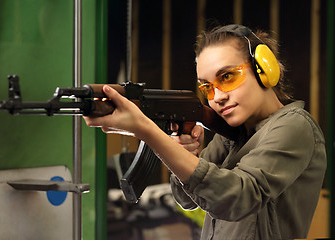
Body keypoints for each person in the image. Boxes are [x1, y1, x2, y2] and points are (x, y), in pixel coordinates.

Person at [83, 24, 327, 239]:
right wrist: (185, 153)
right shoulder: (232, 134)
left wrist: (147, 131)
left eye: (228, 76)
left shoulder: (294, 125)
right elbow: (187, 199)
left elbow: (238, 199)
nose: (218, 97)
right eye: (207, 88)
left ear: (264, 68)